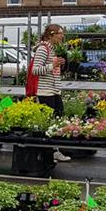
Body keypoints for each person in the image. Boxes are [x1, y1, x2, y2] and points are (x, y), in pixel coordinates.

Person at [31, 24, 70, 162]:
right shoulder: (43, 49)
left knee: (56, 121)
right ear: (51, 35)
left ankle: (54, 150)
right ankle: (49, 152)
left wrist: (60, 64)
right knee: (49, 124)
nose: (62, 36)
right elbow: (35, 70)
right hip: (45, 91)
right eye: (60, 33)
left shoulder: (52, 49)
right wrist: (52, 65)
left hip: (54, 90)